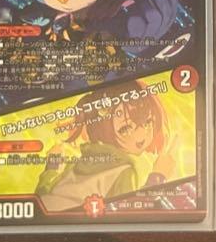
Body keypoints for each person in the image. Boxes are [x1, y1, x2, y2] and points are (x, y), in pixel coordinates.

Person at [35, 80, 180, 212]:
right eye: (125, 129)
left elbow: (44, 198)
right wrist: (158, 176)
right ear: (105, 131)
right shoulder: (123, 171)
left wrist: (52, 166)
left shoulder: (80, 162)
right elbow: (129, 213)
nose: (141, 135)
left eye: (147, 122)